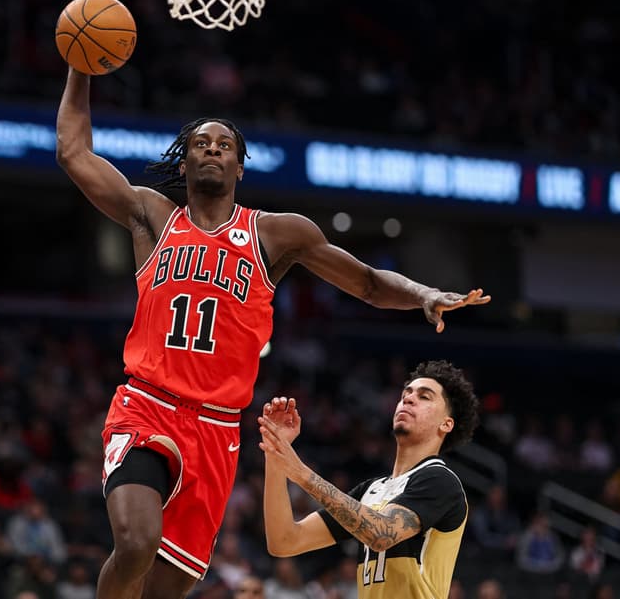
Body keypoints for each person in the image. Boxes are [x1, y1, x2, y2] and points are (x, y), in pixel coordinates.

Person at [56, 67, 490, 599]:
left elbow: (368, 283)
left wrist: (423, 294)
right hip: (149, 404)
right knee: (136, 543)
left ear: (239, 167)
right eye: (200, 143)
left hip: (217, 428)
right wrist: (80, 68)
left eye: (224, 145)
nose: (212, 150)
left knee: (168, 587)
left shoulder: (275, 234)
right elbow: (74, 154)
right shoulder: (153, 216)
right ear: (185, 161)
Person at [257, 360, 479, 599]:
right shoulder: (371, 489)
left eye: (424, 396)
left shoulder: (440, 480)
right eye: (405, 394)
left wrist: (301, 473)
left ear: (446, 424)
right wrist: (275, 451)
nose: (409, 399)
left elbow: (381, 534)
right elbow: (284, 541)